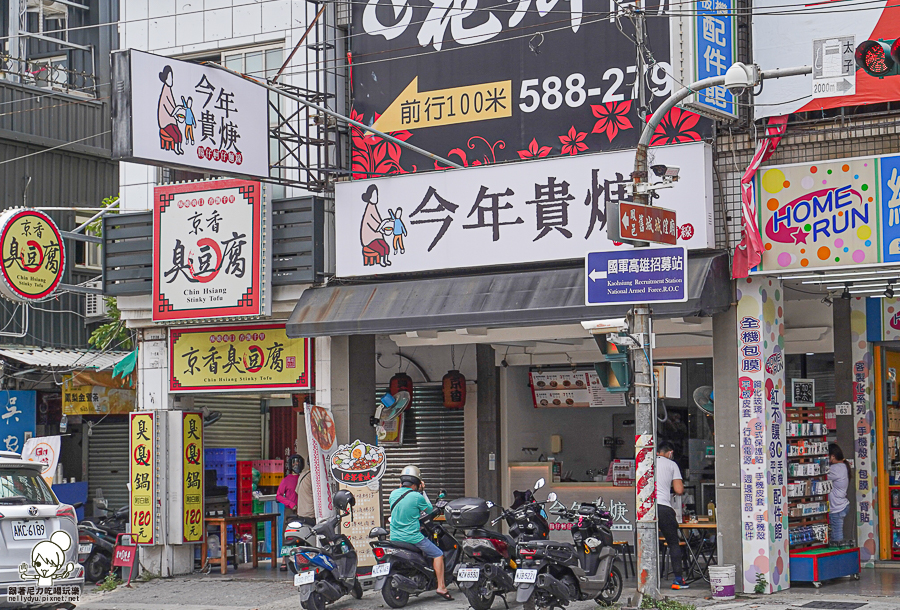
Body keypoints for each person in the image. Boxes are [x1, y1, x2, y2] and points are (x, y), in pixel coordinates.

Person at [388, 465, 451, 600]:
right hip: (412, 537)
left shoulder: (393, 494)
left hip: (394, 537)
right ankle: (441, 586)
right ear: (417, 483)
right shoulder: (417, 497)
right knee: (438, 554)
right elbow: (429, 510)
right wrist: (422, 490)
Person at [657, 441, 688, 589]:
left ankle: (644, 577)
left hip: (645, 507)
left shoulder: (646, 461)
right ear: (669, 452)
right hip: (663, 507)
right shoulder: (672, 464)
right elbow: (679, 490)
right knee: (673, 543)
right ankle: (678, 579)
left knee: (644, 541)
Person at [276, 455, 314, 570]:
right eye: (293, 463)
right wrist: (291, 504)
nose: (296, 465)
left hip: (302, 510)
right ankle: (284, 559)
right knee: (288, 535)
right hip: (290, 510)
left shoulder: (304, 476)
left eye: (298, 463)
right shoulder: (286, 480)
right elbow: (278, 496)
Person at [359, 185, 391, 267]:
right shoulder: (369, 209)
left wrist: (383, 229)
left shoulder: (374, 207)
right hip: (369, 239)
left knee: (386, 246)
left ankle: (386, 260)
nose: (376, 197)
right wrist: (382, 227)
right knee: (381, 248)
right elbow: (373, 224)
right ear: (370, 197)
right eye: (374, 195)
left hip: (377, 236)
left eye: (377, 195)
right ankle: (381, 261)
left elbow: (378, 222)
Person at [157, 65, 184, 155]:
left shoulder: (169, 90)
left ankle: (179, 148)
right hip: (165, 122)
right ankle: (176, 149)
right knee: (175, 135)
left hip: (171, 120)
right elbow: (168, 106)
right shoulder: (165, 91)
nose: (171, 80)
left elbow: (172, 106)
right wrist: (176, 112)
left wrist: (177, 111)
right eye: (170, 77)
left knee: (179, 134)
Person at [828, 443, 851, 542]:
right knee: (835, 534)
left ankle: (839, 555)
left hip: (837, 507)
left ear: (833, 456)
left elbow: (820, 474)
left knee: (837, 537)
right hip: (841, 505)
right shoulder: (842, 466)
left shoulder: (836, 469)